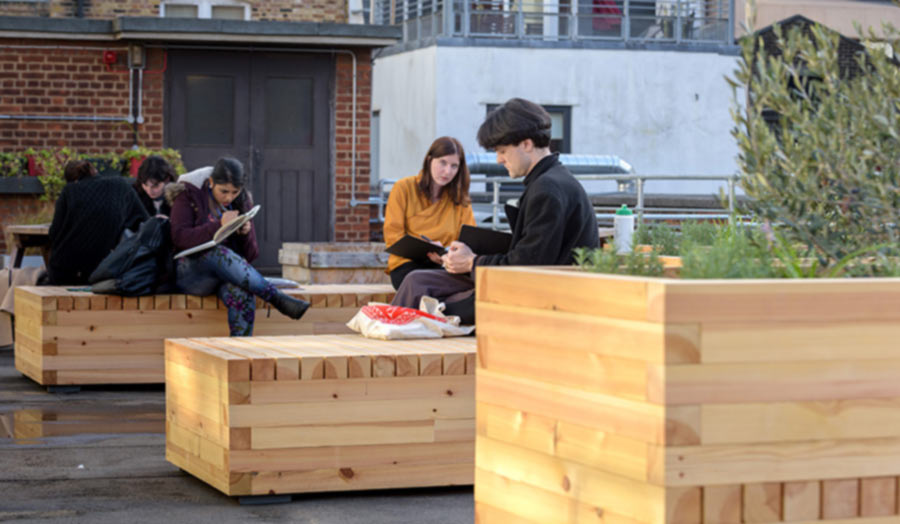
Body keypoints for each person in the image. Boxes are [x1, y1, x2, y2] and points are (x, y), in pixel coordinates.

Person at [392, 98, 600, 324]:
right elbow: (532, 256)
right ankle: (390, 335)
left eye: (502, 151)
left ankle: (391, 341)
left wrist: (472, 261)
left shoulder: (547, 189)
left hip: (544, 298)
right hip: (539, 288)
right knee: (417, 281)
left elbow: (528, 266)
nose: (499, 159)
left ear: (526, 144)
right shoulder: (551, 181)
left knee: (428, 300)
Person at [167, 157, 309, 336]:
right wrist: (218, 225)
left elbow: (251, 255)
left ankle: (240, 352)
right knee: (217, 252)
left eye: (234, 192)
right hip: (190, 273)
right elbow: (179, 238)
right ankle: (275, 297)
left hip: (225, 275)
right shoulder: (188, 194)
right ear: (211, 183)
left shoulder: (240, 200)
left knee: (242, 294)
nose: (229, 197)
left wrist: (245, 233)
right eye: (224, 191)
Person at [383, 136, 476, 290]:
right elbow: (393, 237)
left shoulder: (460, 198)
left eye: (454, 166)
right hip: (407, 265)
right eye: (443, 163)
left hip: (446, 266)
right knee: (418, 281)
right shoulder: (403, 188)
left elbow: (468, 240)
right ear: (429, 160)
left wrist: (446, 255)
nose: (447, 171)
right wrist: (425, 249)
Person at [47, 160, 149, 285]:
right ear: (94, 172)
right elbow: (144, 220)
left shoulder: (69, 191)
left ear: (73, 181)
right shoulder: (121, 186)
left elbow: (54, 232)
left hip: (66, 268)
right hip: (105, 267)